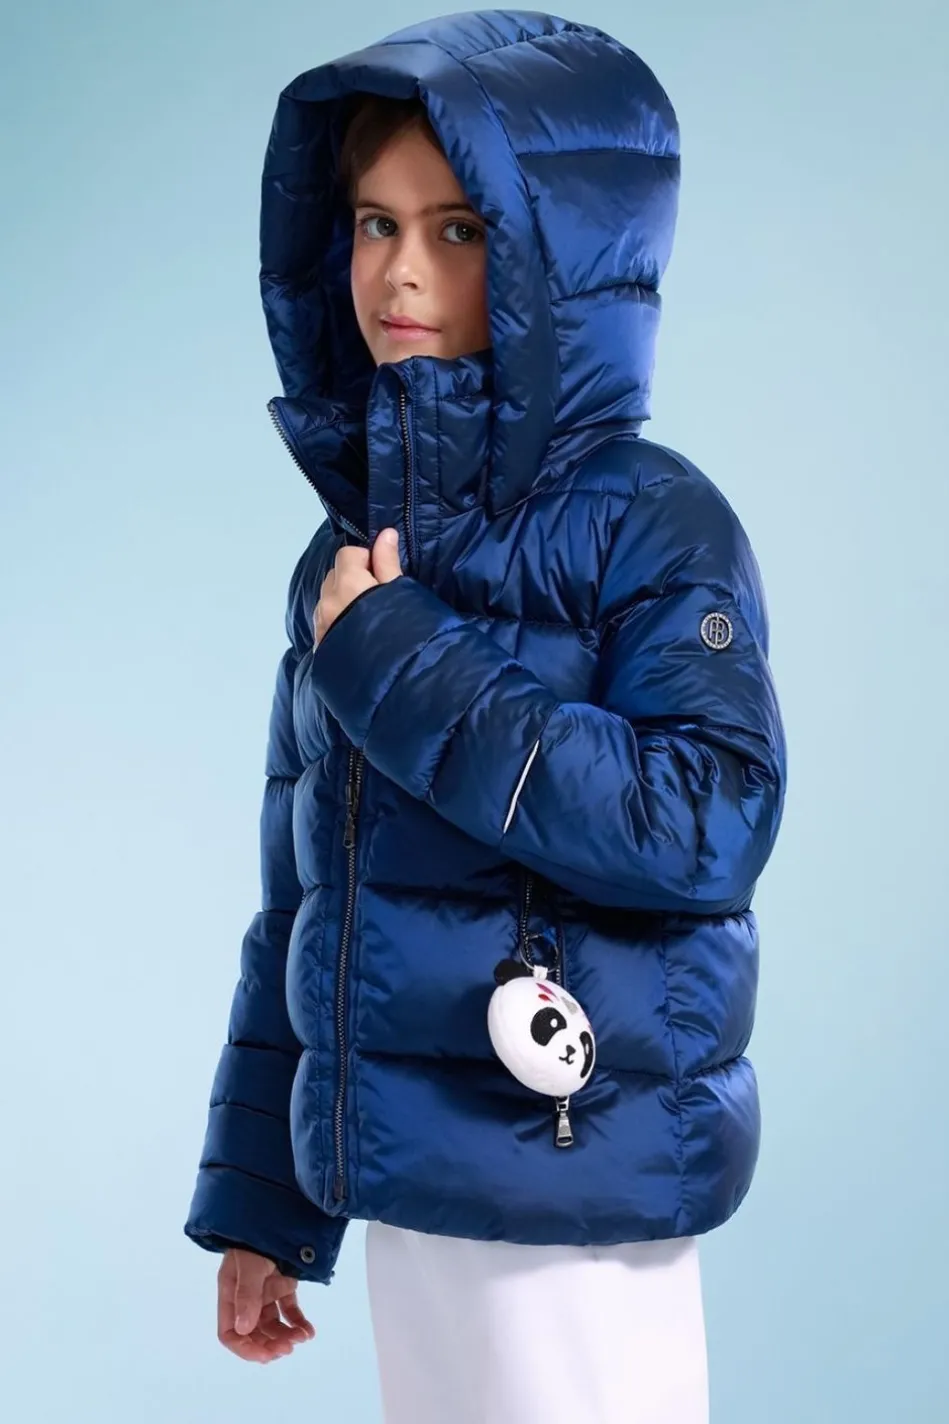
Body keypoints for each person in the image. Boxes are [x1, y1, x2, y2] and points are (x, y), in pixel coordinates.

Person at [184, 10, 787, 1423]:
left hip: (582, 1188)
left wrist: (401, 661)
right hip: (417, 1197)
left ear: (554, 268)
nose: (399, 271)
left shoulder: (654, 526)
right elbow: (308, 903)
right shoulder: (347, 558)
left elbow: (707, 820)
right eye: (373, 223)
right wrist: (266, 1201)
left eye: (456, 232)